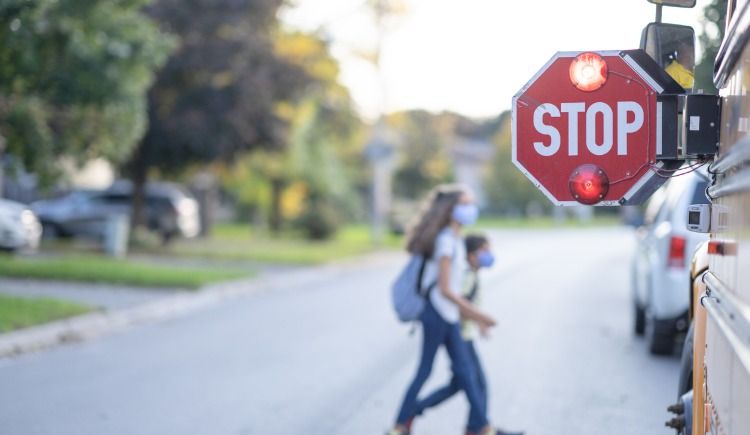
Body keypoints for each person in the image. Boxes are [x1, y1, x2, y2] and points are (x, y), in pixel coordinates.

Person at [387, 185, 522, 435]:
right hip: (438, 314)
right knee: (427, 371)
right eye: (465, 204)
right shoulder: (446, 241)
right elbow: (446, 289)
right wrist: (479, 315)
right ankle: (399, 425)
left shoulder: (454, 239)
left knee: (466, 374)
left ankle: (481, 427)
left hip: (447, 315)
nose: (471, 209)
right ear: (451, 210)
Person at [413, 234, 495, 421]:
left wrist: (479, 323)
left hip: (464, 335)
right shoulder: (467, 276)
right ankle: (479, 427)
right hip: (460, 337)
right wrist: (481, 319)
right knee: (477, 384)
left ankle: (415, 409)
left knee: (461, 383)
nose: (490, 255)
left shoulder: (471, 274)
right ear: (472, 255)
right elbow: (460, 306)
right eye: (485, 251)